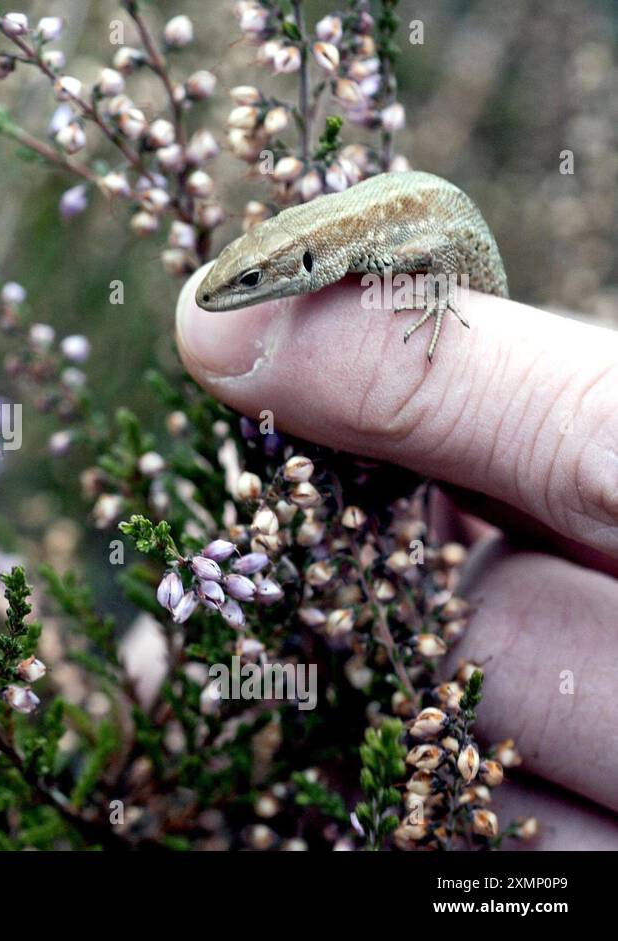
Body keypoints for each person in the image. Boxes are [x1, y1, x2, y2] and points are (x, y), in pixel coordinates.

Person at [176, 264, 618, 849]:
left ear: (307, 264)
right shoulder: (330, 261)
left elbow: (438, 247)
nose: (226, 301)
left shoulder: (369, 250)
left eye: (252, 281)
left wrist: (434, 305)